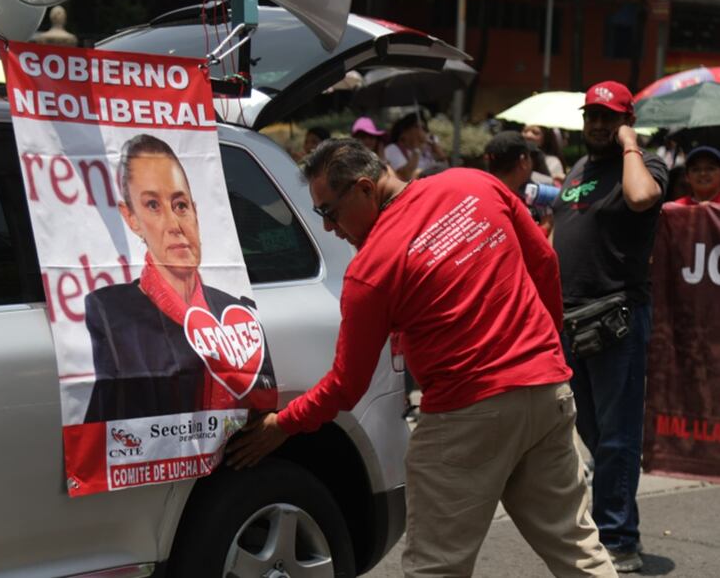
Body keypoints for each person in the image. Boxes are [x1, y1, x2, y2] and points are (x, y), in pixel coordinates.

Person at [227, 138, 615, 577]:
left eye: (329, 212)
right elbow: (544, 261)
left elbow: (347, 384)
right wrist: (543, 345)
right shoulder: (474, 183)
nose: (330, 228)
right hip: (547, 392)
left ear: (365, 189)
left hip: (465, 416)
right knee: (577, 547)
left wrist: (283, 423)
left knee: (436, 567)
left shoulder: (372, 270)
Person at [552, 81, 668, 573]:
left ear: (626, 118)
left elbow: (642, 199)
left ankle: (620, 541)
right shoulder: (578, 169)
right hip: (569, 319)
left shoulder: (644, 165)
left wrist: (629, 144)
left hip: (617, 315)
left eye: (608, 117)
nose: (597, 125)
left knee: (618, 437)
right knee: (594, 436)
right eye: (592, 116)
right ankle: (613, 528)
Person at [83, 134, 277, 423]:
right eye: (152, 205)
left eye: (180, 205)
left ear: (195, 212)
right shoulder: (112, 314)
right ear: (131, 218)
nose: (175, 225)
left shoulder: (235, 311)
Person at [384, 113, 446, 181]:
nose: (422, 131)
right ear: (405, 130)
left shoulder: (428, 147)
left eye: (424, 128)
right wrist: (416, 149)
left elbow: (446, 166)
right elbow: (405, 175)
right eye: (417, 127)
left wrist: (437, 150)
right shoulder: (392, 149)